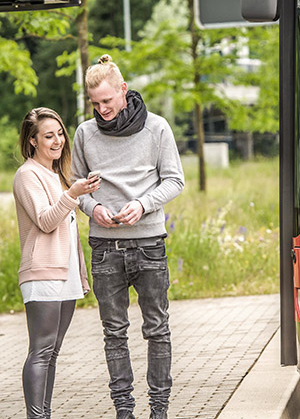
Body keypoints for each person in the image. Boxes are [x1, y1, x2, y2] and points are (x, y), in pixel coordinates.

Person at [72, 55, 185, 419]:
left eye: (107, 100)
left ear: (123, 90)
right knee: (114, 333)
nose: (102, 109)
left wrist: (143, 204)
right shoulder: (84, 134)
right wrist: (94, 209)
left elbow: (174, 180)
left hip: (149, 244)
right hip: (106, 248)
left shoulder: (157, 128)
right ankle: (124, 411)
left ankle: (159, 410)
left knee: (157, 329)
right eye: (95, 103)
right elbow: (77, 190)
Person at [13, 107, 98, 419]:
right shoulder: (27, 175)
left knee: (52, 352)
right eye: (48, 136)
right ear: (33, 141)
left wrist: (80, 274)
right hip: (42, 273)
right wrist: (73, 193)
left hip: (66, 273)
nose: (57, 140)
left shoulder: (57, 175)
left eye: (60, 133)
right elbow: (46, 222)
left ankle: (44, 414)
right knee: (41, 350)